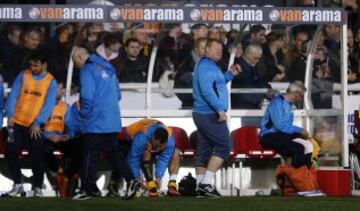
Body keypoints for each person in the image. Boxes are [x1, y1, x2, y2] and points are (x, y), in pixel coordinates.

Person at [71, 47, 137, 200]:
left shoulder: (88, 69)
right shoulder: (109, 69)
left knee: (89, 153)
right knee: (115, 153)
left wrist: (84, 114)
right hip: (112, 119)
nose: (76, 66)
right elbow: (118, 94)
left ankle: (87, 190)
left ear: (80, 57)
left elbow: (87, 95)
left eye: (75, 62)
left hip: (95, 119)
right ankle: (132, 180)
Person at [3, 50, 57, 197]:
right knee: (10, 151)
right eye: (31, 65)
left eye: (36, 66)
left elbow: (49, 105)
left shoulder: (51, 82)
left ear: (44, 65)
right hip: (17, 122)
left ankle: (38, 187)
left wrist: (38, 122)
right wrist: (10, 114)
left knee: (37, 155)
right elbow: (13, 95)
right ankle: (18, 185)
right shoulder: (23, 75)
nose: (33, 68)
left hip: (35, 126)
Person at [192, 38, 241, 198]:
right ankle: (206, 184)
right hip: (209, 114)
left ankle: (200, 187)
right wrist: (220, 110)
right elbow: (207, 91)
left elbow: (216, 84)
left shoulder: (209, 66)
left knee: (204, 151)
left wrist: (229, 75)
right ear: (206, 50)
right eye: (215, 49)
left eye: (221, 49)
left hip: (204, 114)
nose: (219, 51)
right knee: (224, 146)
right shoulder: (206, 66)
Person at [108, 118, 179, 197]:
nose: (158, 148)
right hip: (127, 139)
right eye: (157, 145)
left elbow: (164, 159)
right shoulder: (142, 136)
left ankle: (169, 185)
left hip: (149, 138)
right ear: (153, 138)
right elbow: (133, 159)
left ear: (166, 142)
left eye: (161, 146)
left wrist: (159, 177)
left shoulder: (170, 140)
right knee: (123, 155)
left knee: (176, 152)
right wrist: (139, 180)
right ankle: (114, 183)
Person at [41, 82, 82, 198]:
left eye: (61, 88)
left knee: (81, 151)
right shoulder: (42, 105)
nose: (61, 91)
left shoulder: (65, 107)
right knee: (44, 149)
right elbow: (36, 126)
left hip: (60, 137)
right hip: (47, 137)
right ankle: (59, 171)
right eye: (57, 88)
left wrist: (68, 136)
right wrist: (48, 136)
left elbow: (72, 125)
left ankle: (67, 175)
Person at [259, 81, 312, 168]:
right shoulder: (277, 102)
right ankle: (297, 177)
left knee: (308, 144)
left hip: (281, 135)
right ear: (296, 93)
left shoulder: (289, 106)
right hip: (269, 136)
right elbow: (280, 126)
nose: (301, 98)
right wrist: (299, 130)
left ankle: (305, 173)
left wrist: (300, 134)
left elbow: (287, 127)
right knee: (297, 149)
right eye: (301, 96)